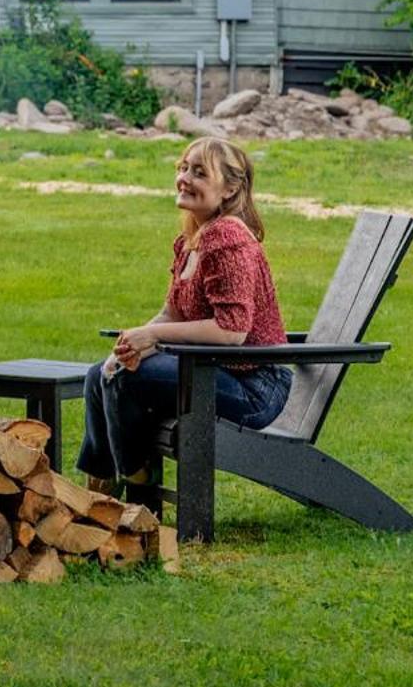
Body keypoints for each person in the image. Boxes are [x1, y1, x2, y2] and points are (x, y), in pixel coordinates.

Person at [77, 136, 292, 493]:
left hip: (253, 387)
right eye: (183, 168)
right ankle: (96, 495)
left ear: (229, 189)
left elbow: (232, 331)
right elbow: (171, 312)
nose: (185, 178)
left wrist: (155, 338)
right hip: (208, 371)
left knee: (122, 380)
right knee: (100, 372)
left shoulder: (228, 238)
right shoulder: (191, 239)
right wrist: (134, 342)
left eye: (199, 173)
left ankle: (137, 485)